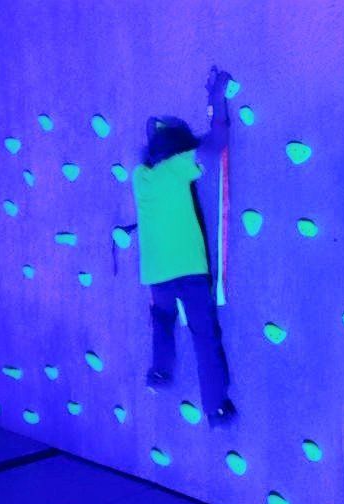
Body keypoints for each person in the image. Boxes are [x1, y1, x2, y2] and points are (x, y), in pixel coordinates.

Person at [131, 66, 236, 429]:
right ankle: (216, 408)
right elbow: (216, 142)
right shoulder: (179, 168)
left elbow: (151, 129)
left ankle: (160, 372)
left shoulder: (141, 176)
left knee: (162, 320)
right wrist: (216, 98)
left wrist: (161, 131)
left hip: (156, 273)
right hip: (189, 268)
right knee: (204, 336)